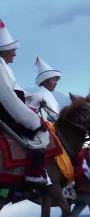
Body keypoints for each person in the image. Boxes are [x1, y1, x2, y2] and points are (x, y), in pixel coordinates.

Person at [0, 19, 49, 184]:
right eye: (12, 49)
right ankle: (32, 174)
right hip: (8, 113)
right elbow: (9, 99)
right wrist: (31, 120)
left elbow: (18, 92)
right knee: (42, 133)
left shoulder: (4, 67)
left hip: (11, 110)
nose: (15, 52)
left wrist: (33, 99)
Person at [26, 57, 62, 121]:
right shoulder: (39, 95)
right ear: (44, 80)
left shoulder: (53, 99)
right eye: (53, 80)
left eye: (56, 80)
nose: (56, 83)